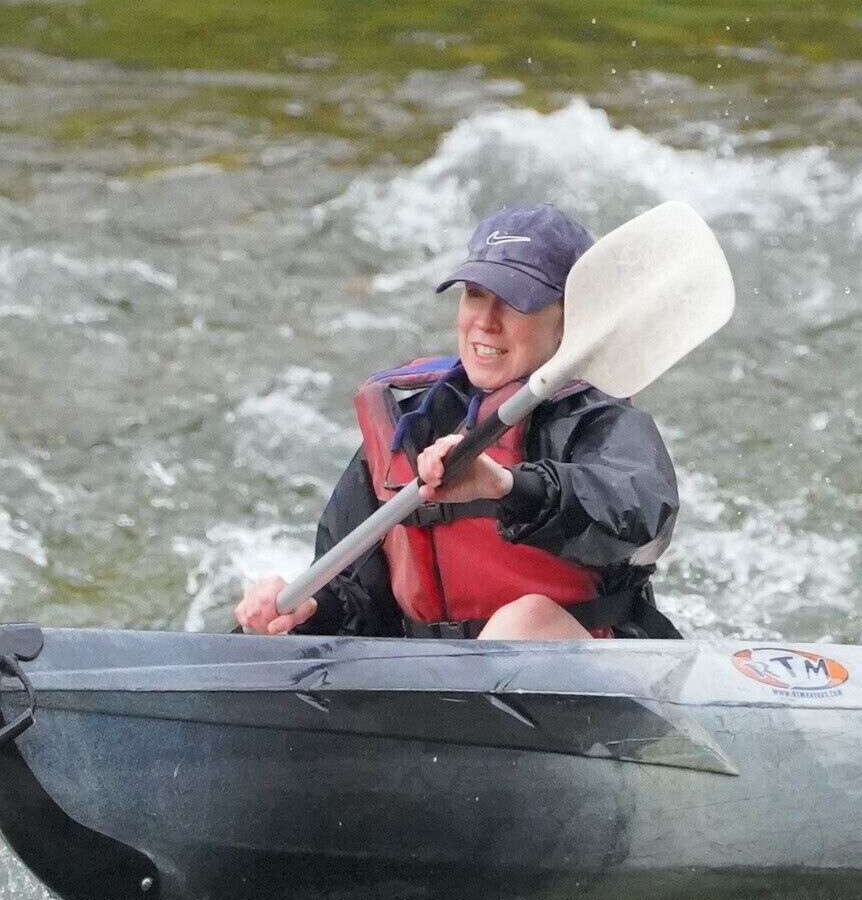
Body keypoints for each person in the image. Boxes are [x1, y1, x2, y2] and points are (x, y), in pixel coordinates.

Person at [234, 204, 682, 642]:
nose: (485, 322)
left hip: (586, 677)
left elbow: (635, 514)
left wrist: (507, 486)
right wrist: (306, 613)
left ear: (567, 323)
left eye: (514, 303)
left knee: (526, 620)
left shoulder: (600, 422)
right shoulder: (411, 425)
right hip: (438, 686)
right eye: (475, 295)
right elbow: (356, 602)